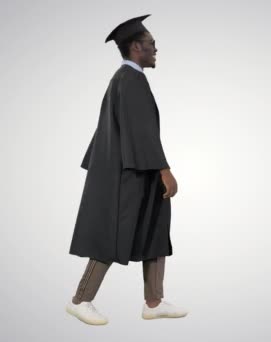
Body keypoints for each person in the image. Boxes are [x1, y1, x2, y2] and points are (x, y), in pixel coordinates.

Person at [65, 14, 188, 325]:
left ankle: (154, 301)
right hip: (129, 174)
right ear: (136, 47)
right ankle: (80, 300)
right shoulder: (129, 80)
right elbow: (141, 131)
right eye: (151, 45)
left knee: (155, 230)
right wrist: (165, 170)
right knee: (112, 234)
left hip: (137, 170)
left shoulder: (126, 80)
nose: (155, 50)